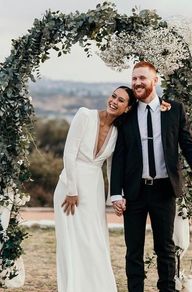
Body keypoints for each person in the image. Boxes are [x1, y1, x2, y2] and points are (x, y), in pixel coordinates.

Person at [110, 61, 192, 292]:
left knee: (165, 248)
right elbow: (120, 157)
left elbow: (187, 144)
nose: (137, 82)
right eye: (134, 78)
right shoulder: (126, 114)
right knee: (133, 250)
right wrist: (116, 192)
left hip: (164, 189)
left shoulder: (174, 110)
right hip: (135, 191)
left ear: (155, 80)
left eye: (142, 78)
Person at [53, 86, 136, 292]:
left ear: (127, 108)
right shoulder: (85, 115)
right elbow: (69, 153)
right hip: (69, 187)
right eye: (113, 96)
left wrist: (114, 197)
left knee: (94, 239)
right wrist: (72, 190)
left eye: (121, 100)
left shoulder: (118, 132)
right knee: (69, 241)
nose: (114, 101)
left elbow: (111, 166)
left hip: (94, 188)